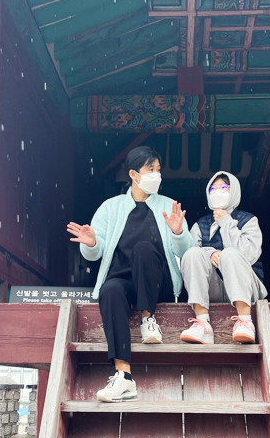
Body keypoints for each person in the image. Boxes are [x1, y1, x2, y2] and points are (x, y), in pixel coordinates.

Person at [67, 147, 193, 402]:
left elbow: (187, 251)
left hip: (157, 283)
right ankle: (123, 376)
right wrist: (92, 243)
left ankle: (148, 319)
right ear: (134, 175)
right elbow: (94, 253)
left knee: (143, 249)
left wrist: (178, 232)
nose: (156, 175)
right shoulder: (110, 207)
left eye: (158, 170)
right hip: (123, 280)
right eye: (150, 169)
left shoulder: (168, 205)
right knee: (110, 290)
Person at [179, 171, 267, 345]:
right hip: (215, 289)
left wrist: (226, 222)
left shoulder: (248, 220)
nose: (217, 192)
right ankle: (203, 324)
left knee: (230, 253)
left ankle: (245, 322)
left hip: (248, 288)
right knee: (193, 254)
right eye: (213, 189)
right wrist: (210, 253)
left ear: (233, 191)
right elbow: (187, 258)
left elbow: (249, 255)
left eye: (223, 187)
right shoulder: (200, 225)